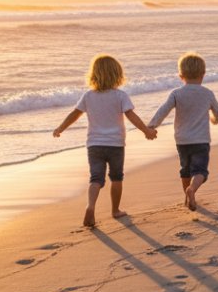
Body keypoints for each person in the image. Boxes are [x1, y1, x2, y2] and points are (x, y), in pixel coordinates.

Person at [53, 54, 157, 227]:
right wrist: (146, 131)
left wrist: (60, 128)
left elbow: (74, 114)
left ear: (93, 75)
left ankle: (90, 206)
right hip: (115, 144)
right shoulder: (120, 96)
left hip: (94, 144)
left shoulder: (88, 96)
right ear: (117, 74)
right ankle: (115, 210)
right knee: (116, 178)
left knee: (96, 179)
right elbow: (131, 116)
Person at [149, 51, 218, 212]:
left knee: (185, 169)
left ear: (181, 75)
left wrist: (152, 126)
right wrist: (213, 120)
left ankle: (186, 196)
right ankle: (192, 190)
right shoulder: (207, 93)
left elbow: (163, 110)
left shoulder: (176, 93)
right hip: (201, 140)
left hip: (182, 140)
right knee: (200, 171)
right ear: (203, 74)